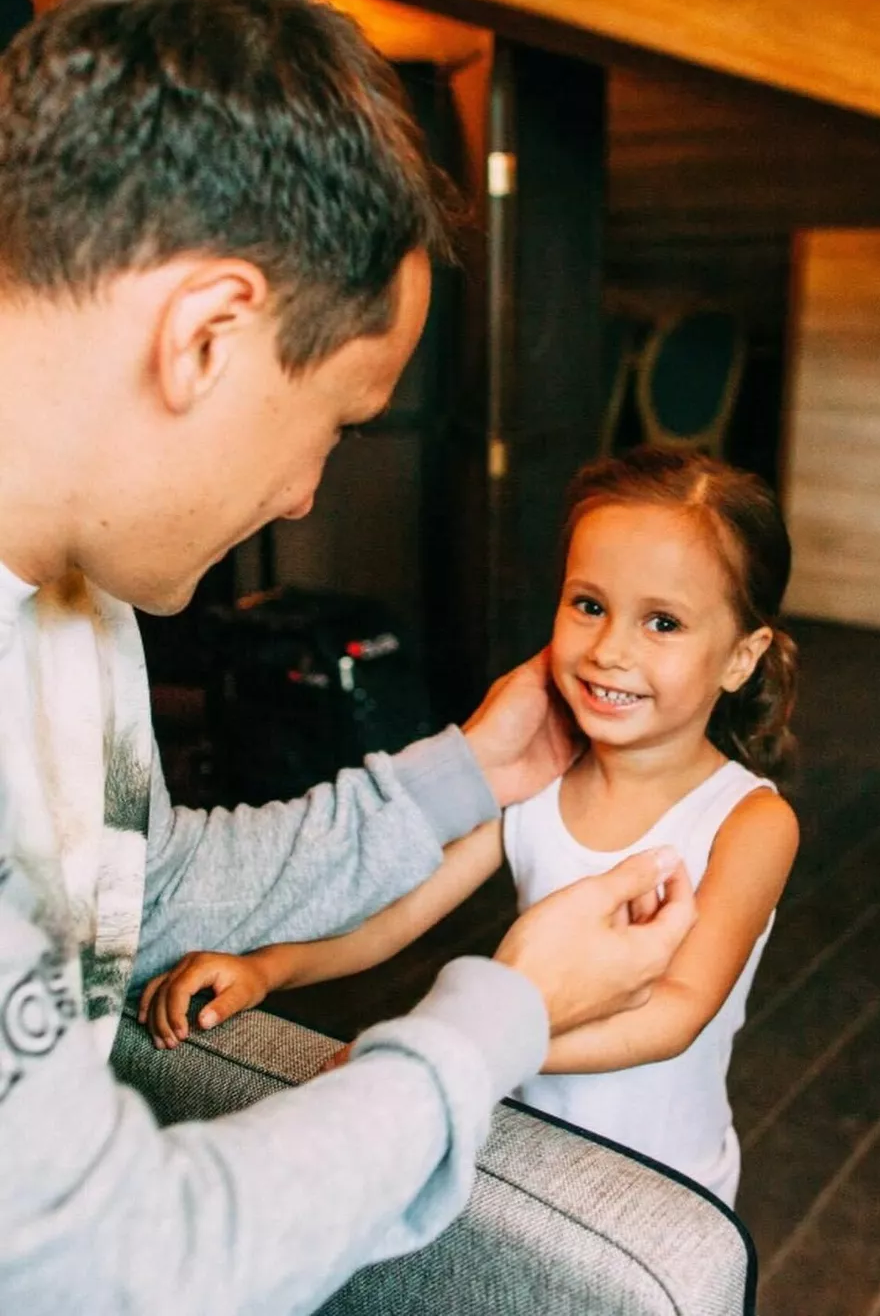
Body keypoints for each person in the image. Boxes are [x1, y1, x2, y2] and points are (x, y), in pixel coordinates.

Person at [0, 0, 699, 1313]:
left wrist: (467, 770)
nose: (307, 493)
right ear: (208, 333)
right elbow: (116, 1266)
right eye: (336, 420)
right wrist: (502, 1010)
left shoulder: (77, 613)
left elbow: (132, 886)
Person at [143, 446, 800, 1207]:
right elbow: (396, 918)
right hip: (523, 1150)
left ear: (740, 658)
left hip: (664, 1187)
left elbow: (674, 1014)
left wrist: (462, 1052)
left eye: (663, 622)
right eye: (589, 605)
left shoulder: (748, 821)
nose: (610, 649)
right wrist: (269, 968)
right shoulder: (539, 779)